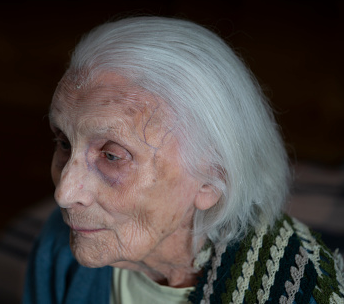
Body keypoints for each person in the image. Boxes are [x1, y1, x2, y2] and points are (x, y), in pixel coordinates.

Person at [22, 16, 344, 303]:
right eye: (63, 142)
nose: (64, 194)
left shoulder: (298, 291)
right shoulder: (60, 244)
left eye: (111, 155)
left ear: (213, 178)